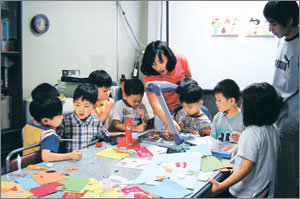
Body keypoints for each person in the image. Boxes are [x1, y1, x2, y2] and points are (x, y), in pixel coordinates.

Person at [208, 82, 282, 198]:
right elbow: (262, 154)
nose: (241, 106)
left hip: (244, 193)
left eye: (243, 103)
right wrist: (236, 165)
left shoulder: (251, 133)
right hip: (263, 191)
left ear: (253, 109)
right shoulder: (273, 129)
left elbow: (246, 168)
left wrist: (220, 187)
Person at [263, 1, 299, 197]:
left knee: (287, 175)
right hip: (278, 114)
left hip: (293, 120)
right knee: (277, 171)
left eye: (274, 24)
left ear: (290, 20)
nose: (270, 29)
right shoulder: (282, 39)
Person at [141, 40, 192, 133]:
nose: (159, 67)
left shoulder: (181, 60)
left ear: (168, 57)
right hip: (162, 113)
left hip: (181, 109)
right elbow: (156, 104)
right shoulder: (149, 78)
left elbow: (189, 82)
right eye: (153, 64)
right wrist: (170, 122)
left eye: (161, 62)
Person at [22, 96, 82, 162]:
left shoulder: (28, 125)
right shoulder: (49, 134)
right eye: (59, 116)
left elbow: (35, 138)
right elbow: (46, 157)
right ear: (45, 121)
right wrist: (70, 155)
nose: (62, 117)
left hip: (24, 163)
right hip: (39, 166)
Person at [56, 83, 112, 153]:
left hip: (90, 159)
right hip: (70, 159)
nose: (81, 110)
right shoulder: (65, 121)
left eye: (86, 106)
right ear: (73, 103)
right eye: (77, 105)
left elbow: (106, 136)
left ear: (94, 106)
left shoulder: (95, 121)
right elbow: (55, 142)